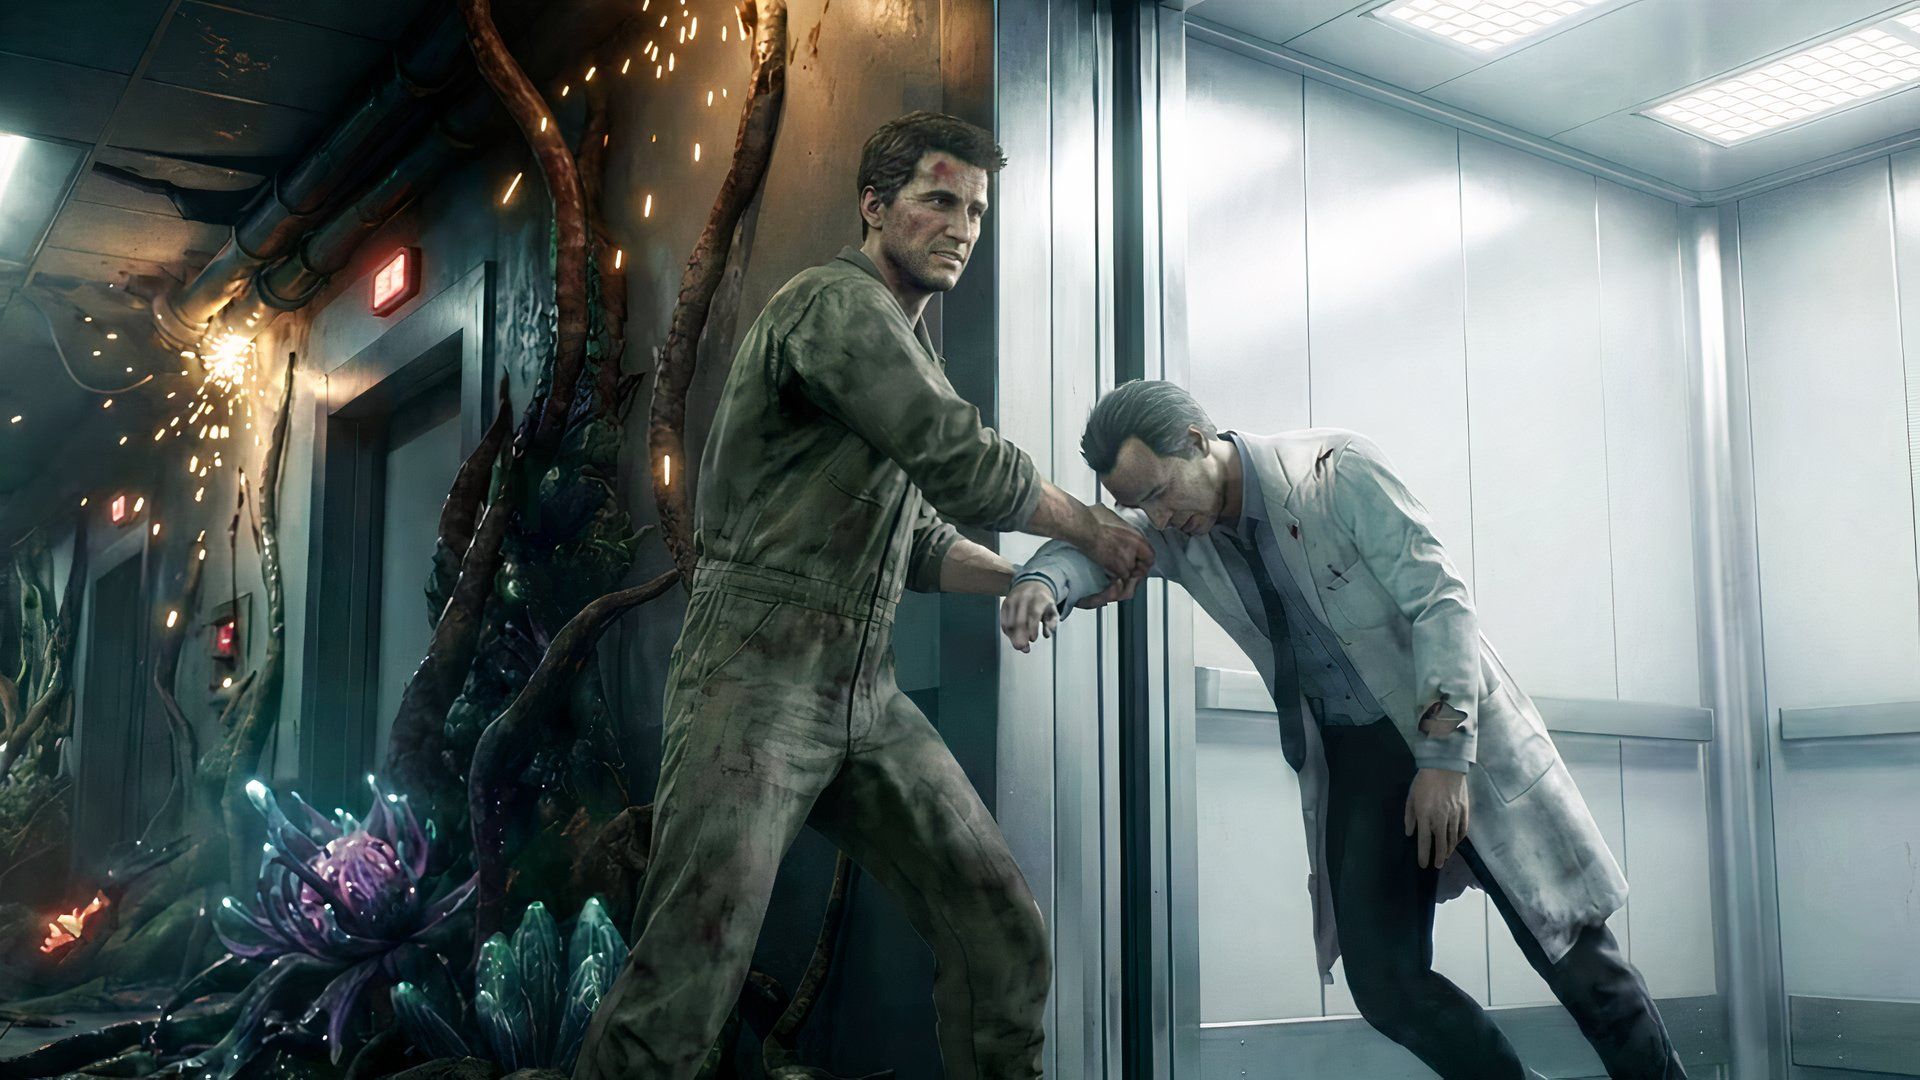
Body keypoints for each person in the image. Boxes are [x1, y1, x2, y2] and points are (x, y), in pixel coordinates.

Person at [572, 111, 1154, 1080]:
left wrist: (1028, 580)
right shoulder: (834, 307)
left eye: (976, 211)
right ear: (874, 206)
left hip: (862, 689)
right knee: (689, 976)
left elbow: (917, 542)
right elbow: (960, 460)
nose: (961, 227)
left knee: (999, 927)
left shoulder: (908, 348)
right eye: (939, 200)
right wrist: (1089, 528)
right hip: (753, 674)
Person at [1003, 380, 1687, 1080]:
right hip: (1358, 761)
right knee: (1385, 985)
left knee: (1575, 958)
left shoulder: (1335, 472)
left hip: (1453, 736)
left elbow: (1441, 603)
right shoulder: (1178, 530)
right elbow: (1097, 544)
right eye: (1139, 505)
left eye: (1157, 492)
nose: (1156, 516)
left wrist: (1443, 761)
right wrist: (1040, 582)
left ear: (1199, 442)